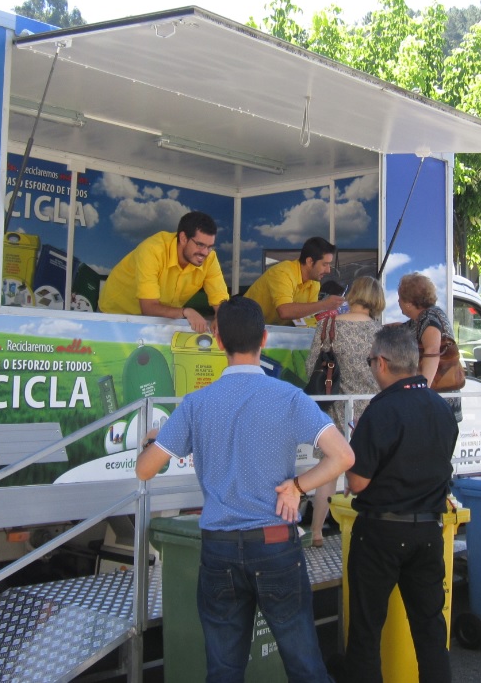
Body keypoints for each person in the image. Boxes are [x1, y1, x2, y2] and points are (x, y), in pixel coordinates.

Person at [136, 296, 354, 682]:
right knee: (305, 665)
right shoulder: (289, 398)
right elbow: (343, 457)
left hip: (218, 548)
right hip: (275, 543)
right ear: (265, 339)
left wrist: (159, 438)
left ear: (218, 342)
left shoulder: (195, 404)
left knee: (223, 670)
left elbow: (145, 470)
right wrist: (298, 488)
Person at [343, 325, 458, 683]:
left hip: (380, 530)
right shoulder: (441, 408)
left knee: (365, 630)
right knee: (430, 630)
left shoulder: (380, 410)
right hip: (428, 529)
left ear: (381, 362)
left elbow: (357, 481)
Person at [304, 275, 383, 547]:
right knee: (369, 469)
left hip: (333, 406)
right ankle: (369, 527)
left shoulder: (327, 326)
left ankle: (316, 532)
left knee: (328, 468)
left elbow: (310, 368)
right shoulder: (379, 332)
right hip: (370, 409)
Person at [98, 211, 229, 333]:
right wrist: (185, 312)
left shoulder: (210, 259)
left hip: (158, 321)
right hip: (113, 315)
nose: (205, 252)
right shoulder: (152, 250)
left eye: (210, 246)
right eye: (200, 245)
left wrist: (221, 318)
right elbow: (149, 308)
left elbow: (220, 301)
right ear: (183, 238)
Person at [397, 272, 462, 419]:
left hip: (436, 401)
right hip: (440, 399)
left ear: (409, 302)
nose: (398, 301)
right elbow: (400, 328)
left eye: (400, 297)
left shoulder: (429, 318)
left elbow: (432, 350)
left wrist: (422, 391)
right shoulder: (423, 317)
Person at [245, 236, 345, 326]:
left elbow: (306, 320)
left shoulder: (314, 283)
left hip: (269, 332)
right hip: (244, 328)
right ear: (309, 261)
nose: (328, 270)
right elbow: (284, 311)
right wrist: (324, 305)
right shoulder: (283, 272)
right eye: (324, 264)